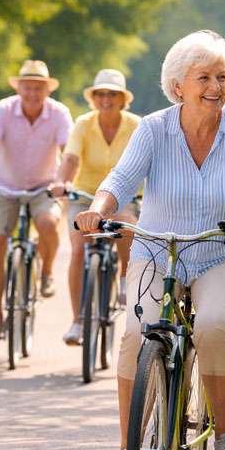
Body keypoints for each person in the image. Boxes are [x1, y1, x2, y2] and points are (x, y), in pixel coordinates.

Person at [76, 30, 225, 450]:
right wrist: (99, 209)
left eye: (222, 76)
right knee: (134, 331)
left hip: (222, 252)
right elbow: (122, 177)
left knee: (210, 325)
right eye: (203, 76)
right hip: (157, 250)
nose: (215, 86)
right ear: (178, 85)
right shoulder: (153, 128)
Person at [0, 60, 72, 340]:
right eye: (28, 87)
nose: (32, 93)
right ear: (20, 88)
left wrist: (64, 181)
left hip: (45, 186)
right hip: (5, 187)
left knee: (49, 224)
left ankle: (47, 272)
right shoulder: (3, 110)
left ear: (47, 90)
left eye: (38, 88)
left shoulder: (59, 113)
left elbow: (69, 151)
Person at [49, 69, 141, 345]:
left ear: (122, 99)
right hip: (85, 196)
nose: (106, 99)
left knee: (127, 225)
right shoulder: (83, 124)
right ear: (94, 98)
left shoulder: (137, 125)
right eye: (101, 94)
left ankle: (125, 277)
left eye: (112, 94)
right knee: (78, 251)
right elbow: (70, 158)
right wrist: (61, 182)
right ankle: (78, 321)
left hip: (124, 197)